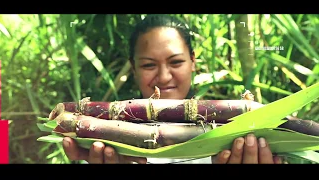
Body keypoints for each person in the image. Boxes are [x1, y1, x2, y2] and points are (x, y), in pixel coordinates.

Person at [62, 14, 283, 164]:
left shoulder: (234, 128)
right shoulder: (105, 134)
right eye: (149, 65)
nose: (164, 77)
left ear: (193, 61)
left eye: (176, 62)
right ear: (133, 67)